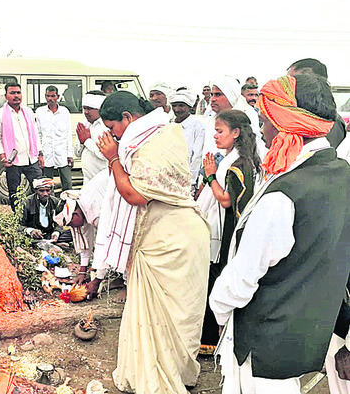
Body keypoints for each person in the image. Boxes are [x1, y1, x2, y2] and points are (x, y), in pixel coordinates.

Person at [209, 74, 350, 393]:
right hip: (307, 333)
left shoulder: (284, 196)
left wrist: (219, 309)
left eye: (264, 120)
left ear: (288, 124)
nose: (260, 130)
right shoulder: (341, 174)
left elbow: (242, 279)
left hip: (263, 342)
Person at [93, 91, 210, 393]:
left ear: (128, 119)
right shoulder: (164, 134)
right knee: (170, 312)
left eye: (113, 127)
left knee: (174, 313)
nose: (112, 135)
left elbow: (134, 195)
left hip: (171, 240)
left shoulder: (153, 144)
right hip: (176, 234)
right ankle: (175, 370)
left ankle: (166, 376)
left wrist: (112, 158)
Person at [196, 110, 261, 350]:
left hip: (228, 231)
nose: (215, 136)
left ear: (236, 133)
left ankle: (212, 338)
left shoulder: (237, 164)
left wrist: (211, 176)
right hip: (226, 227)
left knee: (218, 279)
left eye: (220, 131)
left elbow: (225, 200)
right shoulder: (238, 159)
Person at [54, 169, 109, 286]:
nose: (72, 228)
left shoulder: (95, 210)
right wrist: (82, 272)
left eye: (71, 224)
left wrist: (97, 280)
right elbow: (85, 240)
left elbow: (106, 243)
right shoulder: (81, 205)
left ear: (76, 214)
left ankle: (125, 281)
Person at [0, 83, 44, 211]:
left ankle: (39, 216)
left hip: (31, 158)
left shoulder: (28, 111)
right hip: (13, 161)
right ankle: (19, 220)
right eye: (12, 93)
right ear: (6, 96)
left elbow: (35, 133)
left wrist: (40, 153)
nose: (16, 96)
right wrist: (3, 156)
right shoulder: (0, 114)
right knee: (14, 192)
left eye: (18, 92)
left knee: (40, 188)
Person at [287, 58, 347, 148]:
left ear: (309, 83)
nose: (286, 86)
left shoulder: (326, 122)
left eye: (290, 81)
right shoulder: (306, 116)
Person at [202, 76, 262, 158]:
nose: (212, 99)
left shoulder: (247, 116)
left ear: (231, 96)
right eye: (212, 95)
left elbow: (255, 151)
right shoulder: (211, 120)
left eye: (218, 95)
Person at [35, 85, 73, 192]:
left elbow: (68, 134)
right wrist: (40, 154)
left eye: (52, 96)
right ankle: (49, 206)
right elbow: (38, 134)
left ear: (58, 97)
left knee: (67, 183)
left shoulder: (64, 112)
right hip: (46, 154)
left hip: (62, 153)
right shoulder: (40, 112)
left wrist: (70, 154)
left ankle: (67, 205)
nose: (50, 99)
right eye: (48, 96)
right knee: (46, 184)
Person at [169, 89, 206, 187]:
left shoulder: (198, 126)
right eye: (174, 106)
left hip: (187, 178)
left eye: (181, 105)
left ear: (189, 106)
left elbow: (197, 156)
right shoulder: (169, 124)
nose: (177, 109)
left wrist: (191, 181)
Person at [20, 178, 69, 242]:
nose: (45, 194)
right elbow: (19, 225)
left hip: (49, 233)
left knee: (70, 234)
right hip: (34, 235)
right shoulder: (26, 203)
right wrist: (31, 231)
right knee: (23, 238)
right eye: (41, 191)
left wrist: (56, 233)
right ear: (35, 191)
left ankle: (49, 242)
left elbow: (59, 223)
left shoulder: (55, 202)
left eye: (47, 190)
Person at [75, 90, 108, 183]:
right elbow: (77, 153)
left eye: (89, 108)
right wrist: (82, 142)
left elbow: (104, 155)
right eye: (84, 108)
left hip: (102, 180)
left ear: (99, 108)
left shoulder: (106, 127)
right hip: (87, 179)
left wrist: (86, 141)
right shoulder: (85, 124)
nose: (86, 112)